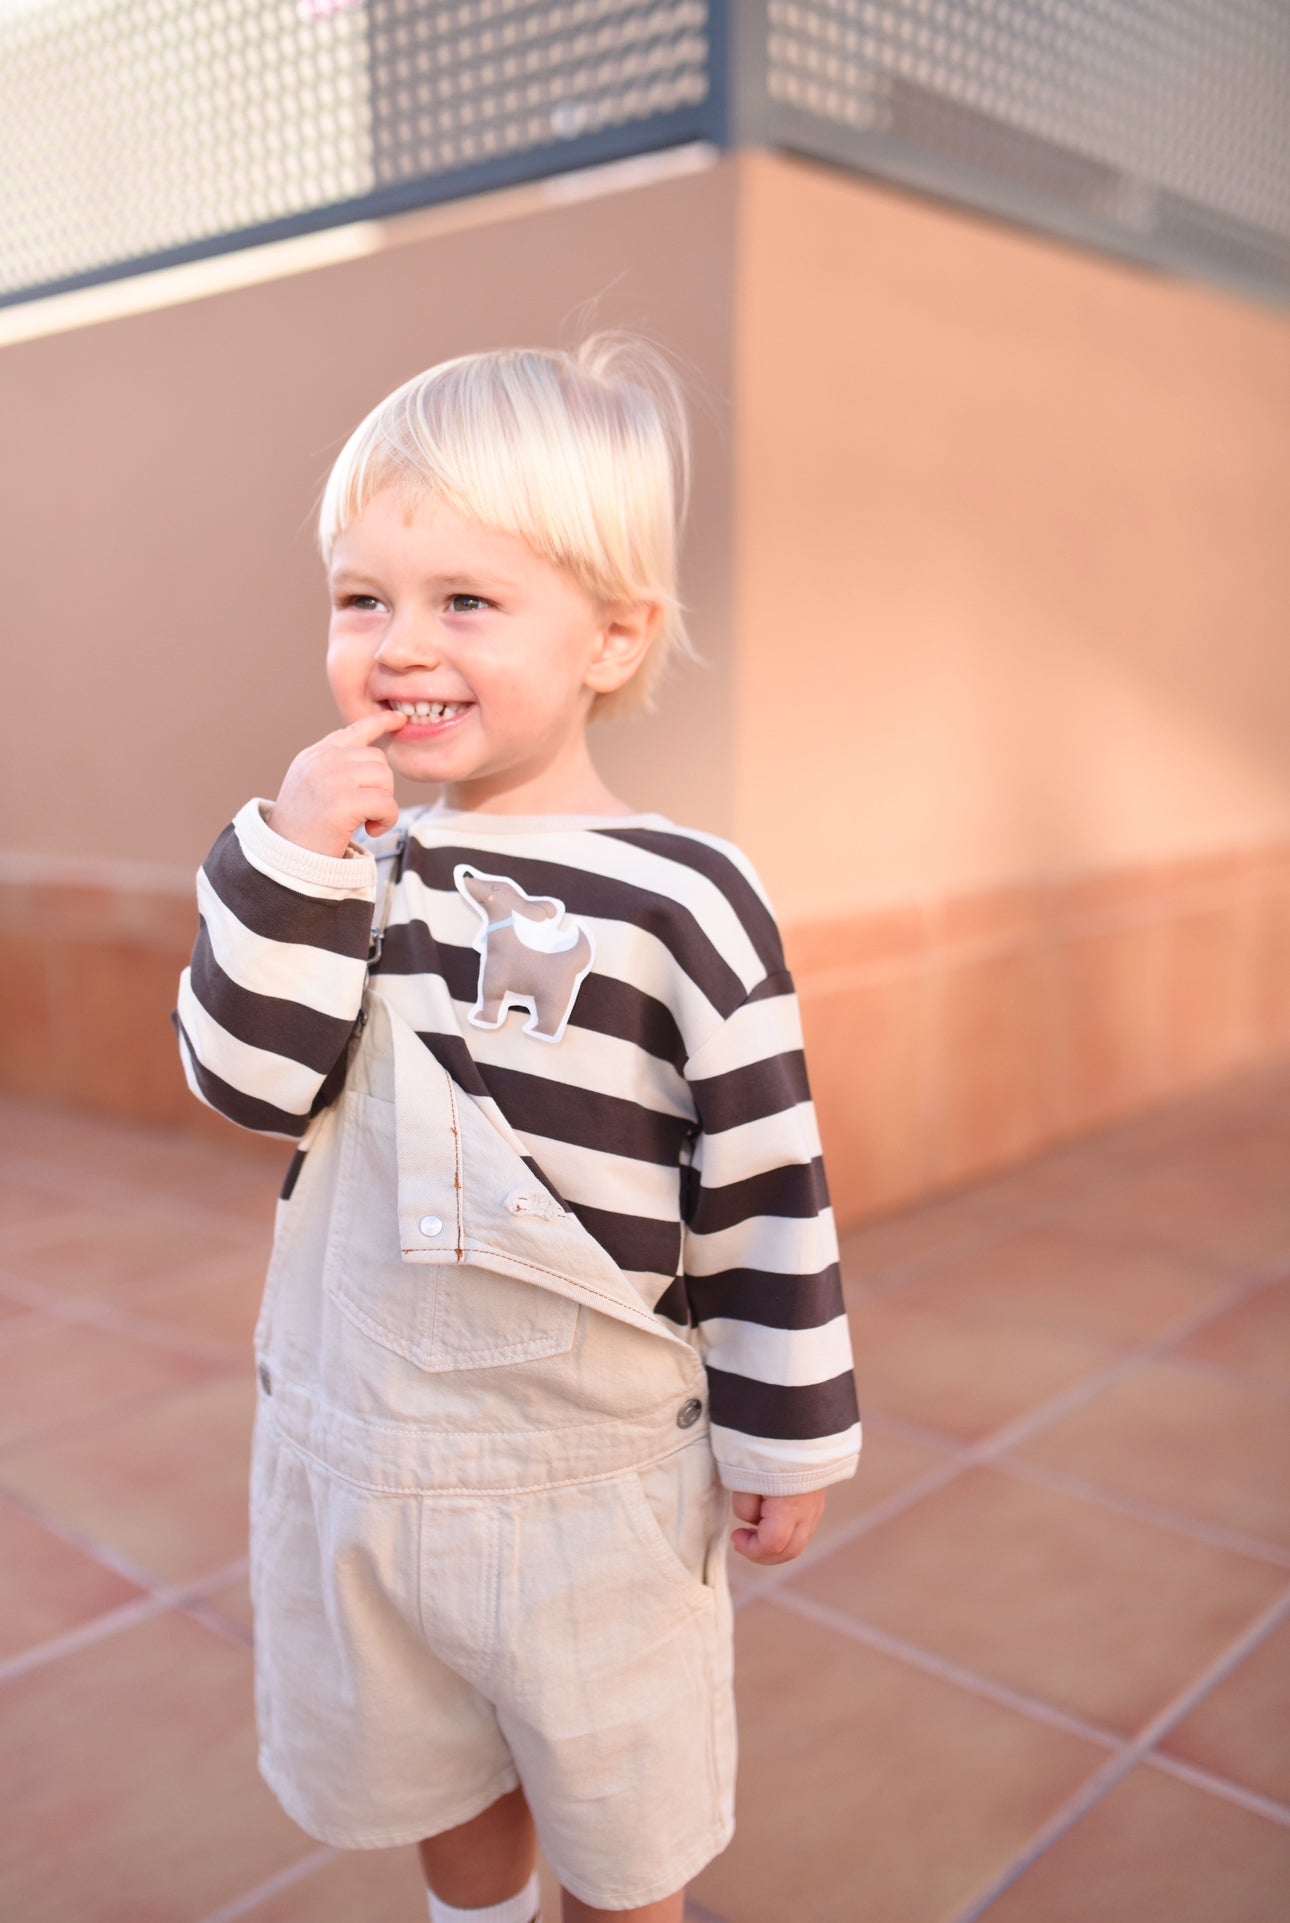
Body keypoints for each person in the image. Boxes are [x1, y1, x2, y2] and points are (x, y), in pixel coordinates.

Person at [171, 331, 861, 1923]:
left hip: (590, 1490)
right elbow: (243, 1081)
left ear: (613, 638)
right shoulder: (316, 864)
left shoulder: (684, 893)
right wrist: (294, 859)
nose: (398, 646)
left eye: (466, 602)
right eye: (363, 599)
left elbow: (761, 1187)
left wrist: (788, 1431)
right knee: (436, 1780)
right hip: (359, 1455)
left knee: (618, 1834)